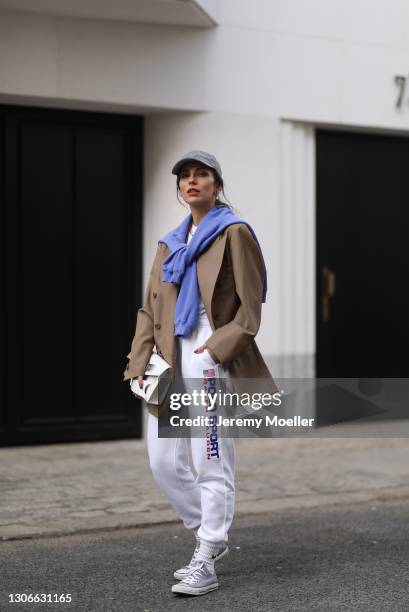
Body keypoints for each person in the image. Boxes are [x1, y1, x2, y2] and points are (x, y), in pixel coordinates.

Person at [123, 150, 278, 597]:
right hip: (169, 358)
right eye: (185, 177)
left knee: (210, 458)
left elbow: (249, 311)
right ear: (179, 188)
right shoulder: (169, 243)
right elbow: (148, 309)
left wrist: (216, 349)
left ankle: (207, 553)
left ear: (216, 184)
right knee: (164, 462)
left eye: (202, 175)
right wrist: (139, 361)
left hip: (209, 355)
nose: (192, 182)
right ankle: (207, 535)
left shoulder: (234, 233)